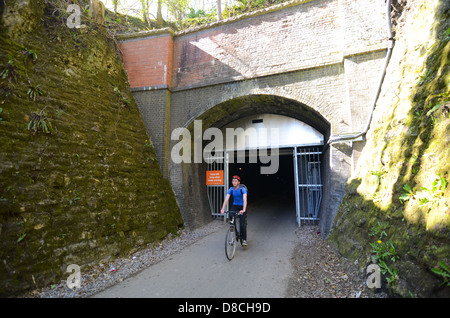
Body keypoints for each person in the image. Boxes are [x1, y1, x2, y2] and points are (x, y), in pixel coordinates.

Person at [221, 175, 248, 246]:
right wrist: (223, 208)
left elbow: (245, 199)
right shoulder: (231, 189)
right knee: (230, 215)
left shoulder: (242, 189)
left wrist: (244, 209)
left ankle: (244, 239)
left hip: (242, 206)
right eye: (233, 181)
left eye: (236, 181)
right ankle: (234, 231)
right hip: (235, 206)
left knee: (242, 224)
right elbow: (226, 199)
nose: (234, 182)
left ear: (238, 182)